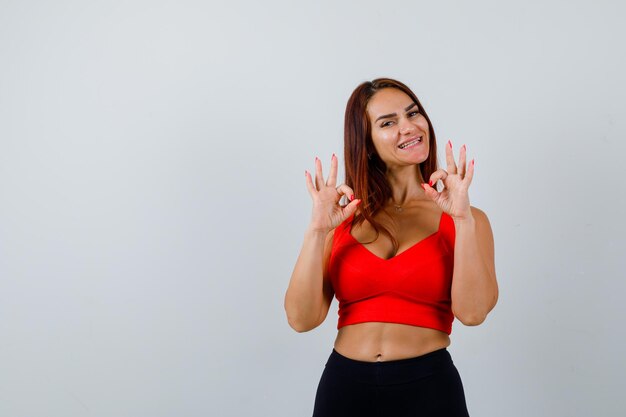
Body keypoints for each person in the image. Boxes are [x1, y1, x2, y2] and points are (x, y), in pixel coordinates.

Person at [284, 78, 498, 417]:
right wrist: (316, 230)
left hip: (428, 388)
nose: (409, 127)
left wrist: (463, 220)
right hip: (345, 386)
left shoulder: (466, 219)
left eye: (413, 114)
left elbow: (473, 314)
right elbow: (301, 319)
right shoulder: (342, 217)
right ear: (367, 142)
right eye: (388, 122)